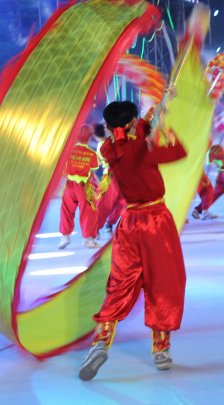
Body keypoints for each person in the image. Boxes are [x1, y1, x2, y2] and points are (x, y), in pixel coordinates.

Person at [78, 89, 187, 380]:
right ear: (131, 123)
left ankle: (101, 342)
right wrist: (166, 128)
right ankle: (161, 349)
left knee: (119, 285)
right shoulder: (143, 147)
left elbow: (138, 129)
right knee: (162, 282)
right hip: (156, 222)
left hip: (129, 225)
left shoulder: (109, 149)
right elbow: (177, 152)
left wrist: (162, 104)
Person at [58, 125, 102, 250]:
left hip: (69, 185)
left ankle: (64, 237)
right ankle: (88, 240)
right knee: (88, 212)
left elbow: (63, 170)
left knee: (66, 211)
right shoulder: (92, 154)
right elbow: (93, 172)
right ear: (89, 138)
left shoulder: (67, 151)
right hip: (84, 186)